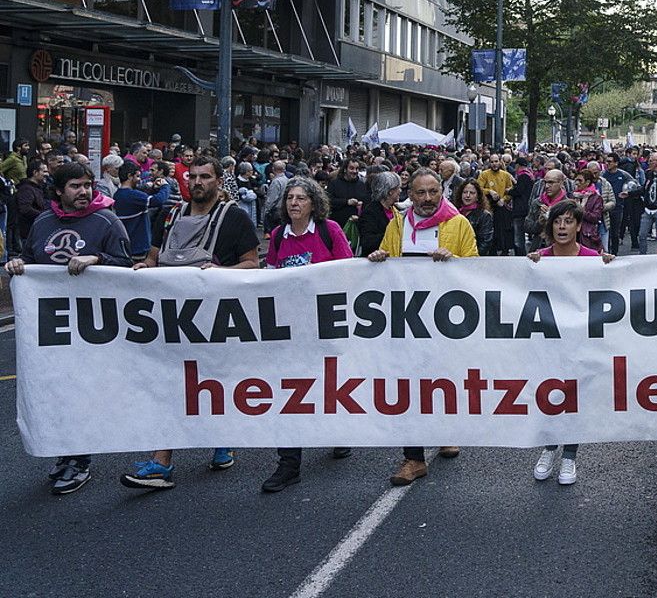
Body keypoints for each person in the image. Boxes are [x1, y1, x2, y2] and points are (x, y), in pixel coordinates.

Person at [120, 157, 261, 490]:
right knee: (173, 385)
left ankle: (222, 438)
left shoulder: (235, 218)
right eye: (192, 176)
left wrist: (218, 274)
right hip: (171, 319)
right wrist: (144, 267)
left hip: (216, 319)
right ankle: (161, 462)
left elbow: (252, 264)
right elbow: (154, 257)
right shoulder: (167, 216)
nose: (197, 182)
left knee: (212, 384)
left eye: (205, 177)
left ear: (218, 180)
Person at [6, 161, 132, 495]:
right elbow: (32, 260)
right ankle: (67, 452)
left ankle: (79, 460)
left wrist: (97, 260)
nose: (84, 192)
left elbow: (127, 266)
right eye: (75, 186)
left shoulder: (107, 220)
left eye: (88, 185)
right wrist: (19, 265)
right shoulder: (44, 222)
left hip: (92, 325)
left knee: (80, 391)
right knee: (56, 390)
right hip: (51, 325)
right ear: (59, 191)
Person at [368, 168, 478, 485]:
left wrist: (453, 260)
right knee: (409, 385)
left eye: (433, 192)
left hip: (445, 321)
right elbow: (387, 261)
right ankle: (413, 458)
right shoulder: (398, 224)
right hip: (408, 319)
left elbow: (475, 269)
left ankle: (445, 431)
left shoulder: (458, 224)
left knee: (442, 381)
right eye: (420, 193)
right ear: (410, 195)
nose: (427, 199)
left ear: (442, 192)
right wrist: (379, 258)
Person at [260, 178, 356, 492]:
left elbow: (348, 272)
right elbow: (271, 276)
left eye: (301, 198)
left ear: (313, 203)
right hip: (291, 328)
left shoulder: (330, 231)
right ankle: (288, 464)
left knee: (330, 383)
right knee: (291, 391)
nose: (294, 203)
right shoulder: (277, 236)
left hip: (326, 325)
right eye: (290, 198)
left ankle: (338, 432)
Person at [527, 200, 614, 485]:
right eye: (557, 221)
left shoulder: (592, 258)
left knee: (576, 397)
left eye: (568, 221)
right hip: (548, 341)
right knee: (551, 393)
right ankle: (550, 448)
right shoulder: (539, 258)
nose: (562, 227)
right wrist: (527, 267)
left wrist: (614, 267)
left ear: (579, 226)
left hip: (581, 341)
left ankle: (570, 457)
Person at [112, 161, 172, 259]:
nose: (140, 180)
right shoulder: (132, 195)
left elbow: (142, 199)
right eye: (138, 176)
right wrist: (165, 186)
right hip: (138, 246)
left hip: (129, 245)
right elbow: (158, 200)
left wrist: (153, 188)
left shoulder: (118, 194)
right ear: (130, 176)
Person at [478, 152, 516, 255]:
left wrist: (504, 199)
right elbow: (478, 189)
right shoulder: (484, 174)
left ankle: (504, 250)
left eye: (496, 161)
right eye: (492, 162)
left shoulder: (506, 175)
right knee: (491, 229)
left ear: (500, 162)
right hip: (489, 206)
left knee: (504, 229)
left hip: (502, 206)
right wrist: (489, 191)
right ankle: (492, 251)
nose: (494, 164)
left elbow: (512, 190)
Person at [357, 170, 400, 258]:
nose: (400, 191)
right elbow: (367, 241)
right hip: (376, 261)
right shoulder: (370, 212)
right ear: (390, 191)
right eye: (398, 188)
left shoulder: (395, 210)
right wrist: (392, 234)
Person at [452, 179, 494, 251]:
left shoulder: (484, 215)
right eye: (465, 192)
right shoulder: (454, 212)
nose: (467, 195)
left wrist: (472, 256)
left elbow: (485, 243)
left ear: (478, 196)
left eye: (472, 193)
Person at [327, 159, 368, 228]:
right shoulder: (334, 183)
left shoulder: (362, 184)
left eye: (357, 169)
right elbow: (329, 201)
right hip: (339, 223)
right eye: (351, 168)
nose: (355, 171)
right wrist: (346, 202)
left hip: (357, 224)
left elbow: (366, 201)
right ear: (345, 169)